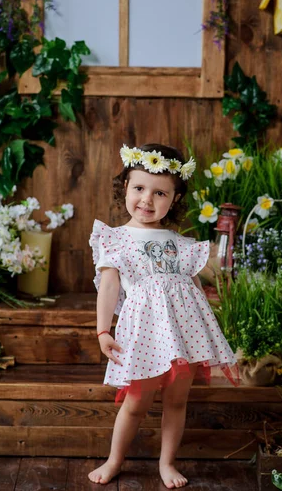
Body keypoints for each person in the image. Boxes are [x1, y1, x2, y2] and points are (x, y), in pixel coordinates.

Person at [88, 143, 237, 488]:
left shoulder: (181, 243)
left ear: (174, 199)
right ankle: (114, 460)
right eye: (139, 188)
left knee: (177, 400)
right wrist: (102, 330)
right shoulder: (116, 239)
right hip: (143, 336)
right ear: (125, 186)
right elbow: (109, 287)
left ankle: (167, 463)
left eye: (159, 193)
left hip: (184, 336)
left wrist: (208, 332)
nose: (147, 200)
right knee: (137, 402)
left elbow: (193, 290)